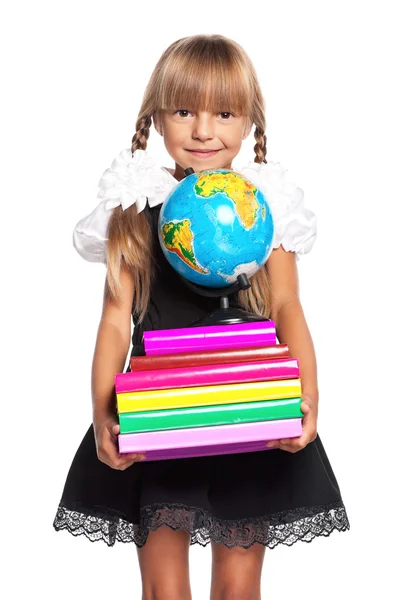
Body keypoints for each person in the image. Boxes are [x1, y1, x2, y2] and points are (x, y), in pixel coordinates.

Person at [53, 34, 350, 599]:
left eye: (225, 112)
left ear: (249, 124)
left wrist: (308, 398)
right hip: (159, 419)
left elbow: (287, 307)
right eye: (184, 111)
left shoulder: (263, 213)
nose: (203, 130)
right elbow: (116, 322)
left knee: (239, 590)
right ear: (157, 119)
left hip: (250, 417)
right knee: (164, 591)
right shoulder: (137, 214)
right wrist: (101, 414)